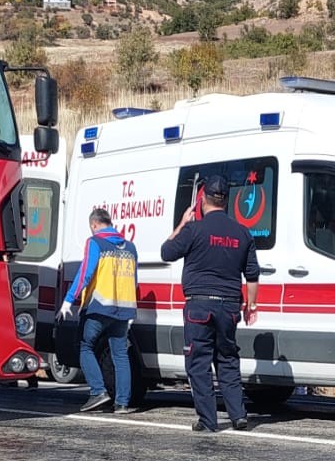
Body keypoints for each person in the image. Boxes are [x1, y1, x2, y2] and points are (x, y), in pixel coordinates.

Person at [160, 174, 260, 432]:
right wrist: (251, 305)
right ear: (225, 201)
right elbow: (252, 274)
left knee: (199, 362)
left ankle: (208, 420)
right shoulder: (243, 233)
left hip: (199, 306)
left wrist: (182, 223)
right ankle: (238, 415)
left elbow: (166, 252)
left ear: (203, 200)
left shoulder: (194, 229)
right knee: (228, 359)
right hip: (229, 306)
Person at [58, 208, 139, 413]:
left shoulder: (95, 243)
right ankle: (122, 403)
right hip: (124, 309)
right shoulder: (130, 247)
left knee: (85, 346)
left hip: (99, 307)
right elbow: (134, 280)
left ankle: (98, 392)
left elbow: (85, 273)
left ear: (94, 224)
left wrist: (68, 300)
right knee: (120, 354)